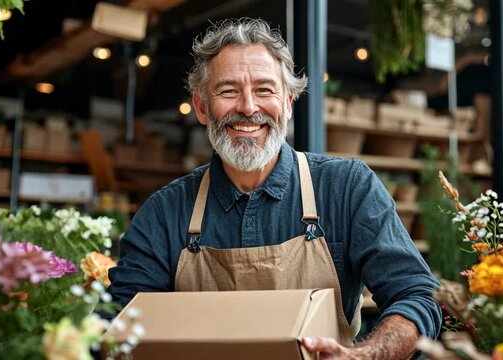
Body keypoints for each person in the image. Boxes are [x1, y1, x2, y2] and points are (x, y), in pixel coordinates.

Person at [108, 18, 441, 359]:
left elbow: (415, 296)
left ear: (288, 103)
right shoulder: (165, 212)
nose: (248, 108)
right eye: (228, 91)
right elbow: (120, 322)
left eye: (265, 90)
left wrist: (366, 355)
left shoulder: (346, 188)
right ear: (202, 107)